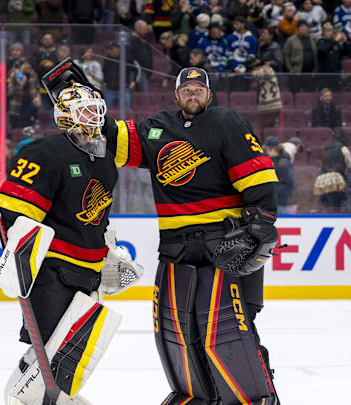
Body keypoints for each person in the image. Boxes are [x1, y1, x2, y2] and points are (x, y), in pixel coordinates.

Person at [99, 66, 280, 404]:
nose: (192, 94)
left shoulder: (227, 123)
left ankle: (254, 397)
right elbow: (114, 137)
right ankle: (197, 397)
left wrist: (258, 226)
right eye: (187, 89)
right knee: (179, 333)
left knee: (231, 335)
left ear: (209, 94)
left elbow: (259, 179)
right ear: (177, 94)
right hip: (175, 248)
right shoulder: (158, 129)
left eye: (199, 89)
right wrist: (88, 105)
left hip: (222, 244)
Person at [0, 60, 137, 405]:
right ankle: (22, 399)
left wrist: (109, 250)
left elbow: (99, 215)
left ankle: (55, 399)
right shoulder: (44, 153)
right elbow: (16, 215)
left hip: (88, 273)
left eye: (95, 108)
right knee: (45, 348)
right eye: (86, 110)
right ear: (67, 116)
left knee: (71, 354)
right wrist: (20, 258)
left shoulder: (105, 159)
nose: (95, 115)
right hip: (52, 270)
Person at [316, 131, 351, 211]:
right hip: (336, 179)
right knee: (338, 204)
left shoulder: (326, 148)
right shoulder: (343, 148)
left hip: (323, 180)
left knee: (328, 205)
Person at [284, 20, 317, 93]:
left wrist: (315, 70)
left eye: (305, 26)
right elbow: (286, 56)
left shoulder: (314, 38)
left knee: (310, 94)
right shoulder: (291, 40)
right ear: (298, 28)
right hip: (296, 72)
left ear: (308, 28)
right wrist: (290, 69)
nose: (303, 28)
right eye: (301, 26)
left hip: (310, 73)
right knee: (295, 94)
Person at [317, 23, 347, 91]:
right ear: (323, 32)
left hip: (336, 74)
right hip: (324, 75)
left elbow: (344, 54)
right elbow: (323, 50)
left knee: (337, 95)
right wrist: (335, 40)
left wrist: (345, 43)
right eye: (328, 31)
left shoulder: (335, 43)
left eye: (331, 31)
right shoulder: (320, 42)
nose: (330, 33)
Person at [130, 19, 153, 92]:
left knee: (144, 96)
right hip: (133, 71)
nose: (146, 32)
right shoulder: (130, 40)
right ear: (137, 28)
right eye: (144, 29)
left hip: (145, 71)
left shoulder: (144, 41)